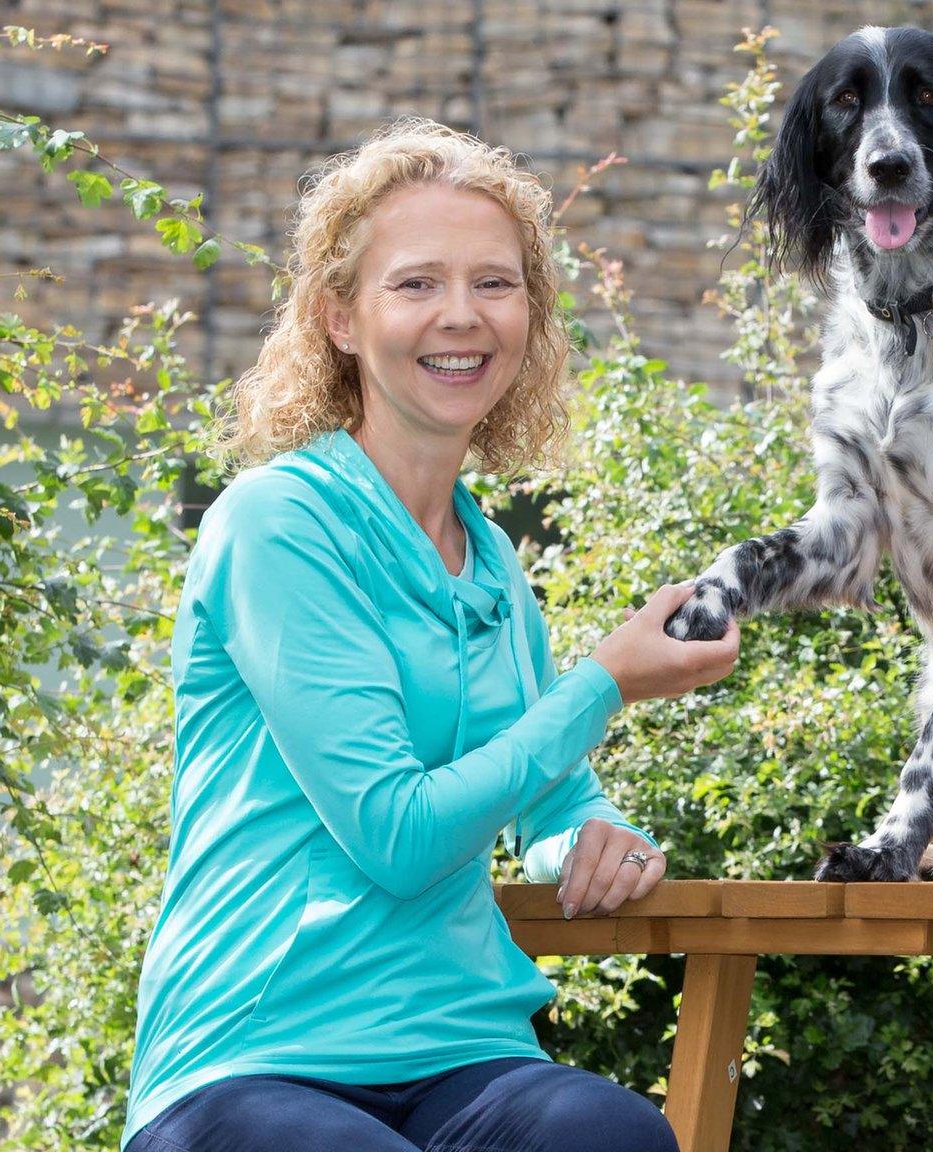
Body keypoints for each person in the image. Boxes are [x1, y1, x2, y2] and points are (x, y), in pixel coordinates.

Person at [122, 119, 738, 1152]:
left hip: (459, 1052)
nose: (462, 315)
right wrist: (603, 685)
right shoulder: (278, 525)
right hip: (250, 1057)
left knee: (613, 1134)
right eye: (415, 285)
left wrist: (591, 841)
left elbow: (548, 795)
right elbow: (398, 838)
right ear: (341, 318)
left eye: (495, 284)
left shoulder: (488, 560)